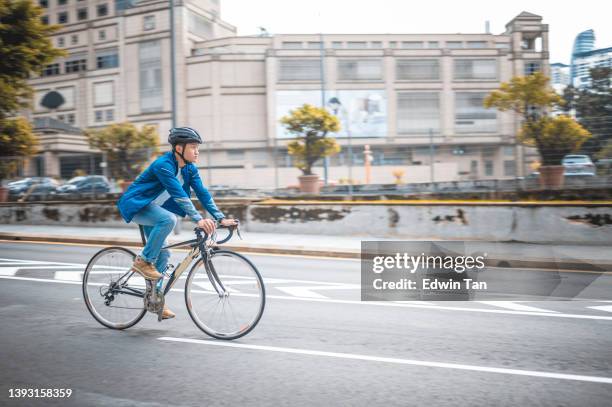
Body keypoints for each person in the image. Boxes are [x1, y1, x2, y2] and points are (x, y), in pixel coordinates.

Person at [117, 127, 237, 319]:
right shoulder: (163, 165)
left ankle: (154, 300)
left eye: (197, 147)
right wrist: (198, 219)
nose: (197, 151)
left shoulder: (190, 168)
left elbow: (202, 193)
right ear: (178, 148)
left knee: (164, 255)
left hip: (155, 211)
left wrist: (220, 217)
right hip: (137, 205)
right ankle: (142, 261)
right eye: (193, 147)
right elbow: (179, 195)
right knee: (168, 219)